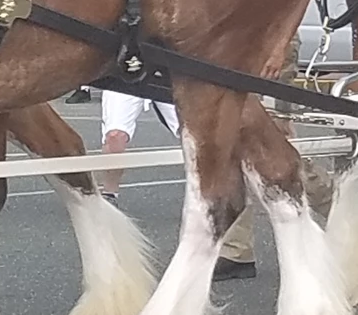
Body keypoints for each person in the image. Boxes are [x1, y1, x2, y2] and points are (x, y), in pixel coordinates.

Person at [97, 89, 255, 279]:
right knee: (115, 137)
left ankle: (212, 216)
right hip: (124, 73)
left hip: (164, 70)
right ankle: (109, 193)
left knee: (197, 135)